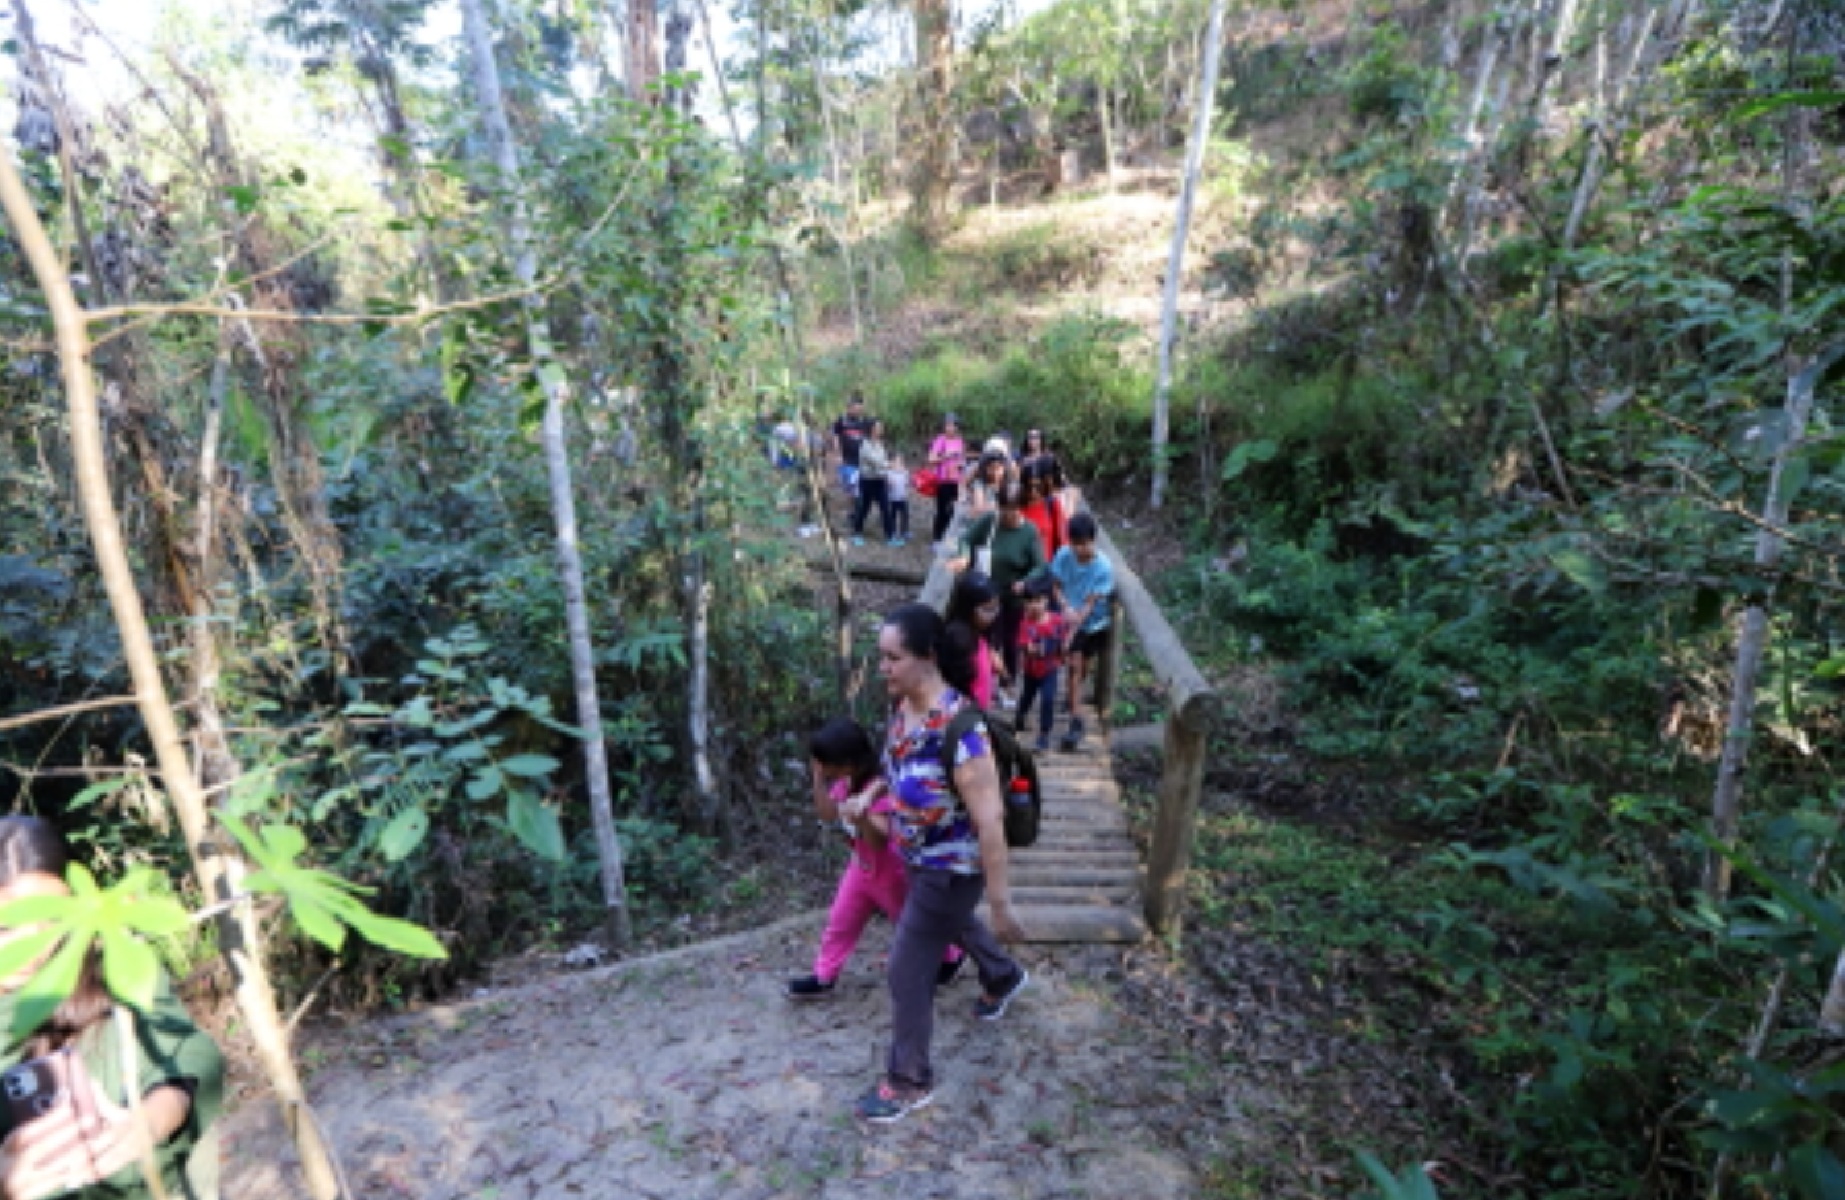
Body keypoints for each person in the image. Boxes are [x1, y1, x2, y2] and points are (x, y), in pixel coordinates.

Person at [857, 604, 1028, 1125]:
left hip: (952, 870)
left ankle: (909, 1081)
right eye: (882, 657)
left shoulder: (962, 729)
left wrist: (1001, 903)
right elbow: (900, 766)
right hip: (915, 858)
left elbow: (990, 820)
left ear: (928, 656)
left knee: (907, 969)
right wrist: (870, 795)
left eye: (893, 658)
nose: (883, 668)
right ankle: (1002, 974)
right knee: (948, 925)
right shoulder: (904, 709)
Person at [0, 817, 223, 1200]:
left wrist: (153, 1119)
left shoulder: (116, 971)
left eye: (52, 920)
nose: (34, 946)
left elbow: (190, 1051)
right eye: (6, 926)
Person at [788, 719, 962, 1000]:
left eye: (825, 762)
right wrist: (818, 779)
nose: (821, 765)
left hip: (891, 872)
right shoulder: (846, 782)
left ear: (847, 763)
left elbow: (879, 840)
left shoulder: (879, 787)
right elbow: (827, 813)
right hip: (860, 867)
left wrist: (862, 817)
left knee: (910, 923)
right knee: (840, 921)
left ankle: (950, 957)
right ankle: (824, 976)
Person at [952, 482, 1047, 704]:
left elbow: (1040, 565)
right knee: (986, 641)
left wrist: (1025, 581)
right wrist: (964, 555)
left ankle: (1008, 683)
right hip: (986, 596)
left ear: (1021, 507)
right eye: (1005, 507)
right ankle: (983, 682)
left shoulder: (1029, 531)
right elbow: (965, 539)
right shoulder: (990, 521)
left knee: (1011, 642)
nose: (1009, 513)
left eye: (1014, 508)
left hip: (1013, 597)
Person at [1050, 512, 1117, 752]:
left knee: (1084, 666)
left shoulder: (1103, 568)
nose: (1079, 549)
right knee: (1074, 667)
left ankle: (1073, 699)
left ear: (1093, 540)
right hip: (1070, 614)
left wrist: (1072, 626)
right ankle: (1075, 720)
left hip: (1093, 622)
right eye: (1075, 544)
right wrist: (1065, 607)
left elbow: (1089, 605)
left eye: (1084, 544)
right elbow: (1055, 585)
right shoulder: (1063, 555)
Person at [1015, 577, 1069, 752]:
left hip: (1050, 669)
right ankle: (1020, 717)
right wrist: (1043, 647)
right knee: (1027, 697)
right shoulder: (1025, 624)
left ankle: (1044, 734)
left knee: (1048, 699)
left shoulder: (1057, 620)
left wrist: (1061, 650)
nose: (1034, 606)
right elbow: (1027, 647)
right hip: (1031, 670)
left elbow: (1063, 641)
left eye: (1038, 601)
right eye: (1029, 601)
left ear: (1046, 600)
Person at [943, 572, 1006, 710]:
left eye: (997, 607)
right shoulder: (957, 639)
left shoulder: (979, 630)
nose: (994, 614)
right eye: (988, 609)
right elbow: (956, 685)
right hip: (965, 713)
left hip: (979, 709)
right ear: (967, 608)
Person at [851, 420, 894, 546]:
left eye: (881, 426)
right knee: (864, 508)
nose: (881, 429)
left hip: (879, 481)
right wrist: (890, 465)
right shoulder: (865, 445)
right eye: (878, 427)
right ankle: (857, 533)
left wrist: (887, 476)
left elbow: (883, 460)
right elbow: (876, 462)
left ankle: (890, 536)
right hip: (867, 481)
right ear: (871, 429)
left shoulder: (880, 444)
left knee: (885, 508)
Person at [926, 416, 966, 548]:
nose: (949, 428)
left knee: (954, 510)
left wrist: (961, 464)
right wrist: (946, 456)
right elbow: (931, 459)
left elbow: (962, 459)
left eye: (952, 425)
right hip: (943, 480)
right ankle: (937, 539)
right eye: (947, 425)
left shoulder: (960, 441)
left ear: (957, 427)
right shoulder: (940, 440)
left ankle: (949, 538)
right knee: (942, 510)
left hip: (956, 480)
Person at [1019, 465, 1069, 562]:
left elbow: (1063, 539)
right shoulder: (1016, 507)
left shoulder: (1052, 505)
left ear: (1044, 485)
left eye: (1037, 487)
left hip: (1047, 565)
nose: (1033, 492)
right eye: (1029, 487)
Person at [832, 391, 873, 499]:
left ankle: (859, 503)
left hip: (862, 458)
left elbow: (870, 437)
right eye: (856, 408)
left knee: (860, 485)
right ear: (850, 407)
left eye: (860, 408)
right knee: (849, 485)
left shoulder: (865, 420)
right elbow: (835, 436)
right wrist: (838, 454)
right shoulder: (842, 420)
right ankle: (853, 500)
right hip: (847, 458)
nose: (858, 410)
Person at [1016, 429, 1068, 504]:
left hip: (1047, 495)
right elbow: (1017, 480)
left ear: (1041, 440)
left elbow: (1060, 478)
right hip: (1027, 496)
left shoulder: (1050, 458)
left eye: (1036, 437)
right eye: (1030, 437)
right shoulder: (1020, 459)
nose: (1032, 440)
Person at [960, 451, 1012, 523]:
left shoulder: (1008, 484)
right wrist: (1001, 506)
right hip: (981, 522)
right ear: (985, 469)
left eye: (998, 468)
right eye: (991, 468)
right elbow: (978, 508)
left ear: (1004, 469)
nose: (995, 472)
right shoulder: (980, 484)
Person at [886, 454, 912, 548]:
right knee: (892, 516)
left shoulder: (905, 472)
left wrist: (908, 490)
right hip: (892, 498)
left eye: (900, 462)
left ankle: (904, 531)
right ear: (891, 463)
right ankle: (892, 532)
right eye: (896, 462)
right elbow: (887, 485)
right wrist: (888, 483)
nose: (898, 464)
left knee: (905, 515)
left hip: (903, 498)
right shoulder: (888, 473)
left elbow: (907, 483)